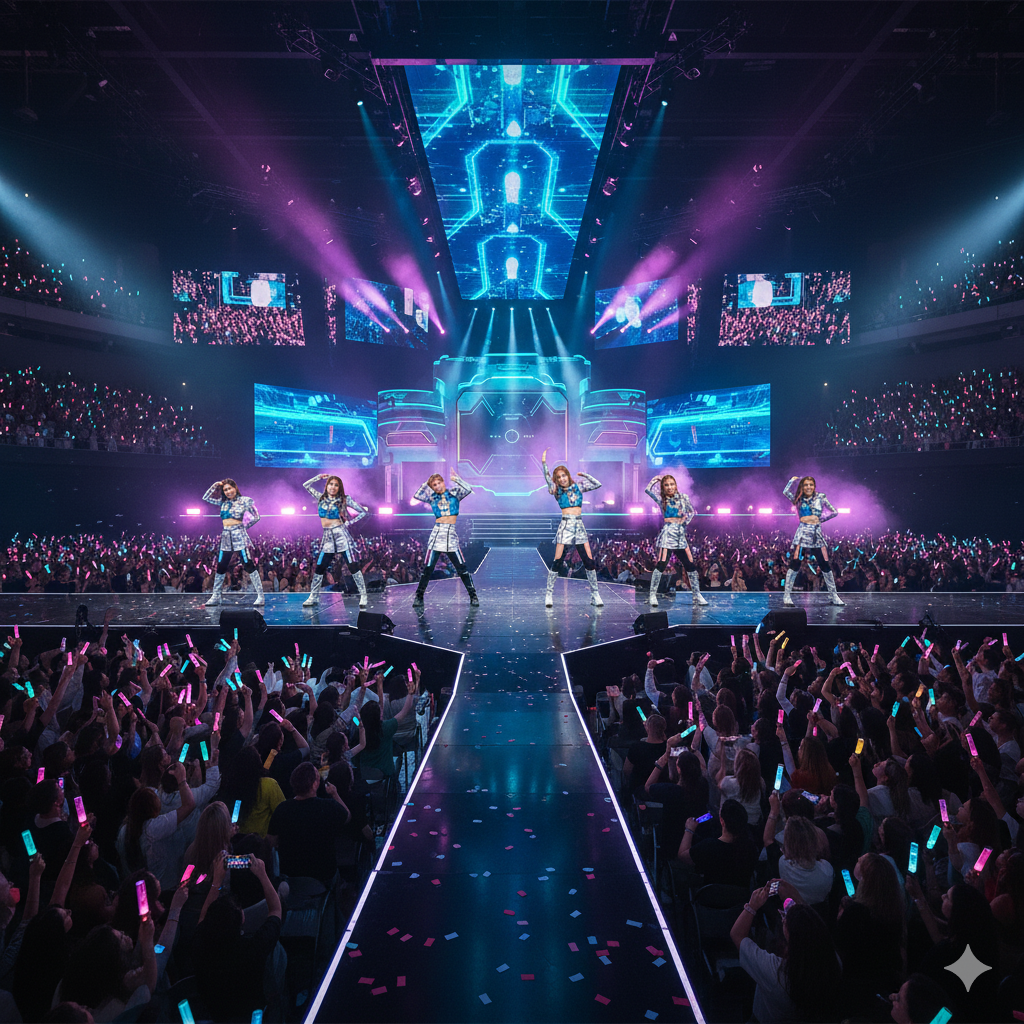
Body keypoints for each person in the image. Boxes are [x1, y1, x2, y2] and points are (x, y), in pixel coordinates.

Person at [730, 894, 841, 1023]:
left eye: (785, 920)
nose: (783, 919)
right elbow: (808, 924)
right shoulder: (834, 960)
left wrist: (752, 906)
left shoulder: (775, 972)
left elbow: (737, 935)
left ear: (789, 937)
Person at [267, 762, 351, 886]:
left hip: (290, 878)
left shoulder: (282, 809)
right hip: (323, 876)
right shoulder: (328, 807)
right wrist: (334, 794)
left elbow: (271, 842)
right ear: (315, 784)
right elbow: (347, 817)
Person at [541, 450, 602, 607]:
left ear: (568, 475)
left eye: (563, 475)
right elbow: (547, 478)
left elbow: (597, 484)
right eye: (558, 477)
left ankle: (595, 595)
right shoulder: (556, 491)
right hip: (566, 525)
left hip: (579, 525)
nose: (562, 479)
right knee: (558, 560)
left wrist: (585, 475)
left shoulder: (578, 487)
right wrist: (544, 464)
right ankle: (549, 594)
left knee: (588, 560)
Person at [300, 473, 369, 609]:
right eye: (331, 484)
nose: (333, 487)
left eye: (336, 485)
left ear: (339, 487)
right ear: (327, 486)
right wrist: (318, 477)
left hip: (341, 535)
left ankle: (363, 595)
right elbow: (305, 485)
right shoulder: (321, 498)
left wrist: (349, 523)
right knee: (320, 567)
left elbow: (363, 512)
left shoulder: (345, 499)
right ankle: (313, 596)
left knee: (352, 566)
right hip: (327, 537)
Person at [410, 472, 478, 607]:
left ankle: (473, 596)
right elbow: (417, 495)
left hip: (451, 536)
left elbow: (468, 489)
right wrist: (426, 484)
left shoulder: (454, 494)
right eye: (434, 485)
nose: (437, 486)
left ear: (443, 482)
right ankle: (419, 596)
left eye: (438, 483)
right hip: (437, 535)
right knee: (428, 569)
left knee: (462, 568)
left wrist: (457, 479)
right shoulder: (432, 498)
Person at [644, 473, 706, 607]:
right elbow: (648, 490)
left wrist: (685, 521)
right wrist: (655, 479)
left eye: (672, 484)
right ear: (663, 487)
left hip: (680, 535)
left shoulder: (684, 497)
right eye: (666, 485)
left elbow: (691, 511)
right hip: (667, 535)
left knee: (690, 564)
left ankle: (697, 595)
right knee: (661, 564)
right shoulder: (661, 499)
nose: (669, 487)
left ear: (676, 485)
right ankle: (652, 595)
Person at [782, 475, 844, 606]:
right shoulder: (798, 499)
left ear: (814, 486)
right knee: (795, 564)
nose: (808, 487)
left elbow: (834, 512)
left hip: (816, 534)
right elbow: (785, 492)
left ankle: (834, 596)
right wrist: (792, 481)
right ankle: (787, 596)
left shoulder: (821, 497)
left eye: (811, 484)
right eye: (805, 485)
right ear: (802, 487)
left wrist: (820, 520)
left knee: (825, 565)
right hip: (802, 534)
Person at [201, 478, 264, 607]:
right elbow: (206, 497)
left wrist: (243, 527)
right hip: (226, 537)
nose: (228, 491)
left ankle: (260, 596)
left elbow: (256, 516)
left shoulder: (244, 501)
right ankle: (216, 596)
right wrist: (215, 485)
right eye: (225, 490)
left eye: (230, 488)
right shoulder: (223, 502)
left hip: (239, 536)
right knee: (221, 565)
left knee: (248, 564)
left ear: (235, 488)